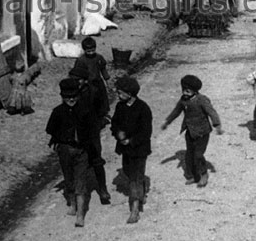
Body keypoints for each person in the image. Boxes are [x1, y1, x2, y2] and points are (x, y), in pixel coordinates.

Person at [46, 78, 97, 227]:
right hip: (65, 150)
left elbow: (93, 131)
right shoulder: (57, 112)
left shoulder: (86, 111)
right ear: (62, 97)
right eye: (67, 96)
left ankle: (80, 215)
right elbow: (51, 130)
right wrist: (58, 141)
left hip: (81, 151)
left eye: (74, 95)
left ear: (79, 95)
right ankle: (72, 205)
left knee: (80, 182)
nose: (71, 99)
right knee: (69, 179)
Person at [161, 75, 223, 188]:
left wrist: (217, 125)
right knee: (189, 155)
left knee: (198, 155)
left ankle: (204, 174)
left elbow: (211, 112)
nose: (185, 93)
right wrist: (167, 121)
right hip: (190, 132)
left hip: (202, 132)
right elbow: (176, 111)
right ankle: (193, 176)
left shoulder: (202, 100)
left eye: (188, 91)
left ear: (195, 90)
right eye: (184, 90)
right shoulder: (183, 100)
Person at [111, 76, 152, 224]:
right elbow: (114, 123)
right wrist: (118, 132)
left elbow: (146, 131)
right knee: (128, 172)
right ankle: (142, 190)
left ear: (130, 93)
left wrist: (131, 140)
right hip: (125, 149)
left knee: (134, 178)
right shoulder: (120, 107)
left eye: (120, 92)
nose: (118, 95)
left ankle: (135, 210)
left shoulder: (143, 108)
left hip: (139, 149)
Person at [69, 64, 111, 204]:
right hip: (78, 131)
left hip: (92, 131)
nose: (75, 82)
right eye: (73, 79)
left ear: (85, 80)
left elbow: (103, 107)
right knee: (77, 162)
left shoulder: (94, 91)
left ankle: (103, 190)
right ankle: (77, 194)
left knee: (96, 160)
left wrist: (99, 121)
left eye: (78, 79)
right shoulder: (72, 93)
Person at [73, 36, 110, 123]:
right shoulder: (81, 60)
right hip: (88, 85)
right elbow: (77, 73)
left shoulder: (99, 58)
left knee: (101, 99)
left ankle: (102, 116)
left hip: (98, 82)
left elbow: (103, 69)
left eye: (93, 50)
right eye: (88, 51)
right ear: (84, 50)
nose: (91, 53)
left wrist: (107, 80)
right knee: (90, 101)